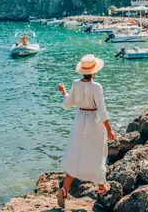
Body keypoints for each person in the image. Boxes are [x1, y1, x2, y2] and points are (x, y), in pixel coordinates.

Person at [56, 54, 115, 208]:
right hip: (94, 121)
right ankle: (101, 186)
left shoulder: (76, 84)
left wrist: (63, 92)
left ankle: (65, 189)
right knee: (97, 153)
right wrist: (109, 129)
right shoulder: (97, 87)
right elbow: (102, 110)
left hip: (80, 120)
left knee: (75, 154)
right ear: (94, 71)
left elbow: (68, 104)